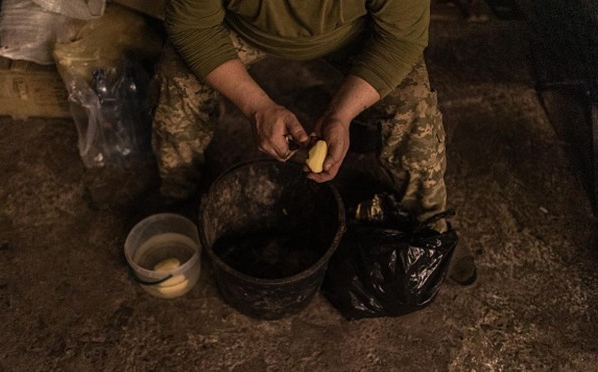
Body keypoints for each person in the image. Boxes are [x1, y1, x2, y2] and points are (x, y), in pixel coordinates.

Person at [152, 0, 476, 285]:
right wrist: (257, 107)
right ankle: (179, 198)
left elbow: (401, 39)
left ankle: (429, 223)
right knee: (176, 79)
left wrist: (342, 113)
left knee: (413, 102)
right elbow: (193, 26)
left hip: (353, 32)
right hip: (241, 29)